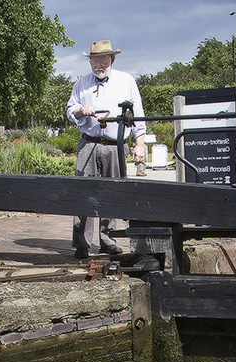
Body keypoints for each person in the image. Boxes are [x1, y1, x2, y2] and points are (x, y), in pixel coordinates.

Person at [66, 39, 146, 259]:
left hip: (115, 144)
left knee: (112, 193)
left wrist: (139, 144)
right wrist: (81, 110)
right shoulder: (82, 83)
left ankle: (107, 240)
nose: (98, 66)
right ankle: (81, 244)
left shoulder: (126, 81)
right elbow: (70, 109)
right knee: (81, 193)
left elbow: (137, 115)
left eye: (102, 61)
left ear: (112, 59)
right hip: (89, 142)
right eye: (94, 62)